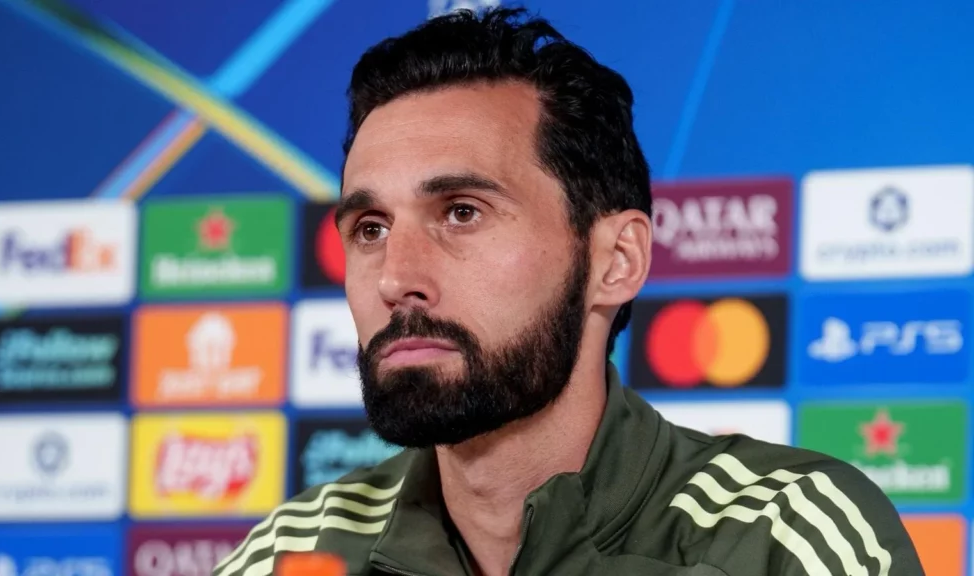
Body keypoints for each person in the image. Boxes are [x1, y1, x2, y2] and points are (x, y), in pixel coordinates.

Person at [214, 7, 923, 576]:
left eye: (462, 213)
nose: (396, 278)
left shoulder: (781, 539)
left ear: (616, 260)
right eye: (370, 228)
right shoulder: (292, 552)